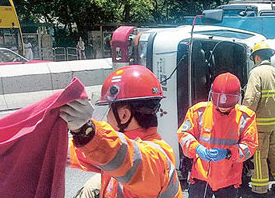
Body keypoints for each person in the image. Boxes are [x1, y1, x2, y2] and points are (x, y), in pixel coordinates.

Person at [60, 65, 183, 198]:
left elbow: (122, 156)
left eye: (109, 110)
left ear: (124, 115)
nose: (106, 118)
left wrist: (86, 131)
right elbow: (80, 153)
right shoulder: (119, 150)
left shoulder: (155, 157)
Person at [177, 72, 258, 198]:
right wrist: (197, 148)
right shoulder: (198, 112)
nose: (223, 109)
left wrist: (228, 153)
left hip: (229, 179)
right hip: (200, 176)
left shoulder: (246, 117)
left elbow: (250, 145)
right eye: (219, 105)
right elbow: (184, 134)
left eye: (227, 106)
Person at [243, 41, 275, 198]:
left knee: (259, 156)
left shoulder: (256, 73)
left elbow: (251, 98)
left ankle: (260, 190)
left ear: (256, 57)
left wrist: (242, 119)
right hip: (274, 125)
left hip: (259, 125)